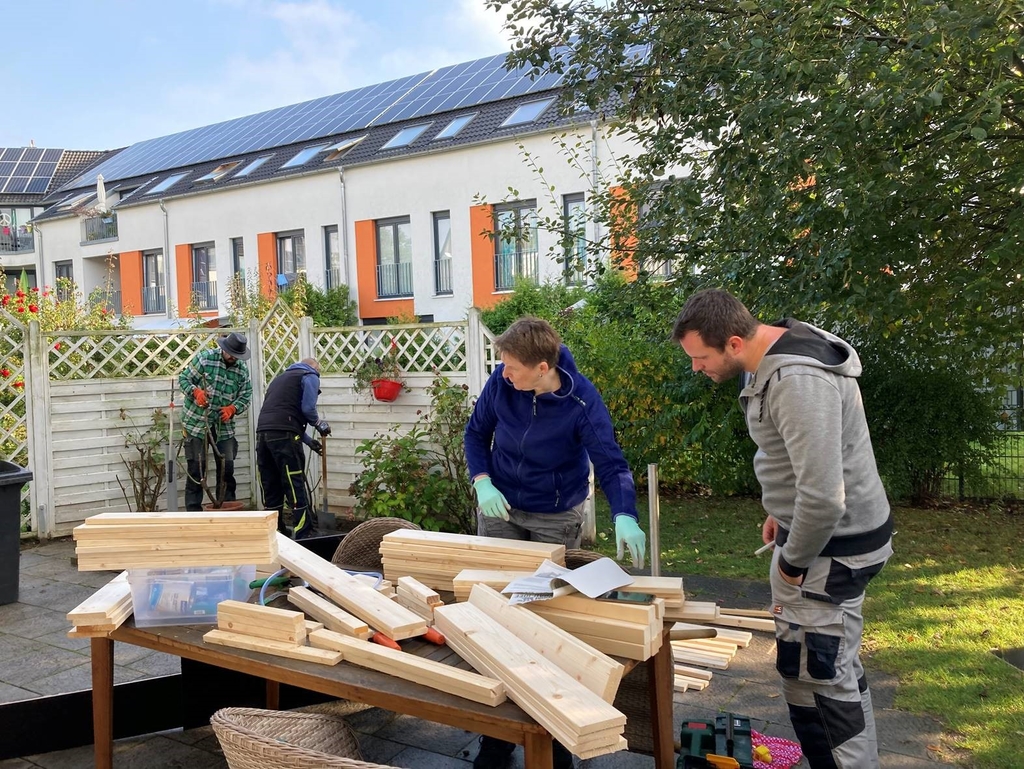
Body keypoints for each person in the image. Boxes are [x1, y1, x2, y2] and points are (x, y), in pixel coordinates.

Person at [671, 289, 893, 769]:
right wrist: (783, 509)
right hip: (821, 535)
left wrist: (793, 565)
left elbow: (823, 497)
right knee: (833, 672)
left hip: (829, 551)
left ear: (732, 342)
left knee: (819, 683)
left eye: (700, 357)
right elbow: (802, 461)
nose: (695, 368)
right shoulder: (769, 350)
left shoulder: (796, 378)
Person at [464, 316, 646, 769]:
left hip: (555, 512)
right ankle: (497, 739)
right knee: (496, 616)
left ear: (541, 367)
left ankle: (557, 733)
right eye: (502, 366)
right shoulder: (501, 381)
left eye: (512, 368)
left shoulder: (581, 401)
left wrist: (625, 514)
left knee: (547, 624)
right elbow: (475, 433)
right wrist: (482, 480)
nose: (503, 373)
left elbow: (610, 462)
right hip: (500, 505)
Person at [256, 357, 332, 538]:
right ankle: (303, 533)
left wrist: (307, 440)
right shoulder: (309, 374)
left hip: (263, 433)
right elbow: (307, 408)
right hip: (284, 435)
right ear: (315, 368)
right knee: (293, 481)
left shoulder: (280, 379)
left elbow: (282, 413)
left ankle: (275, 532)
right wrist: (318, 423)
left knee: (271, 482)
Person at [178, 332, 253, 512]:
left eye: (236, 356)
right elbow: (184, 379)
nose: (233, 358)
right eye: (230, 354)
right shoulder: (205, 359)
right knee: (197, 469)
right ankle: (194, 513)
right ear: (224, 349)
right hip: (196, 422)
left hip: (224, 426)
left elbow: (246, 395)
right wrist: (196, 393)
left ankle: (226, 510)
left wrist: (233, 409)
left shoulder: (241, 370)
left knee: (227, 468)